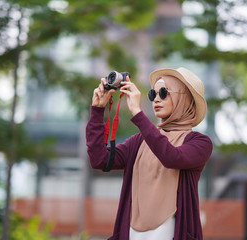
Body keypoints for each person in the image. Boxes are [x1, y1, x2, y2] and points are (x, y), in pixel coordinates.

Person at [86, 67, 213, 240]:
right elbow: (99, 160)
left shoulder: (199, 142)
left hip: (172, 231)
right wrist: (97, 110)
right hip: (131, 232)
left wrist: (138, 114)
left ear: (184, 99)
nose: (156, 99)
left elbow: (172, 157)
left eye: (163, 92)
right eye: (153, 95)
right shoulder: (139, 141)